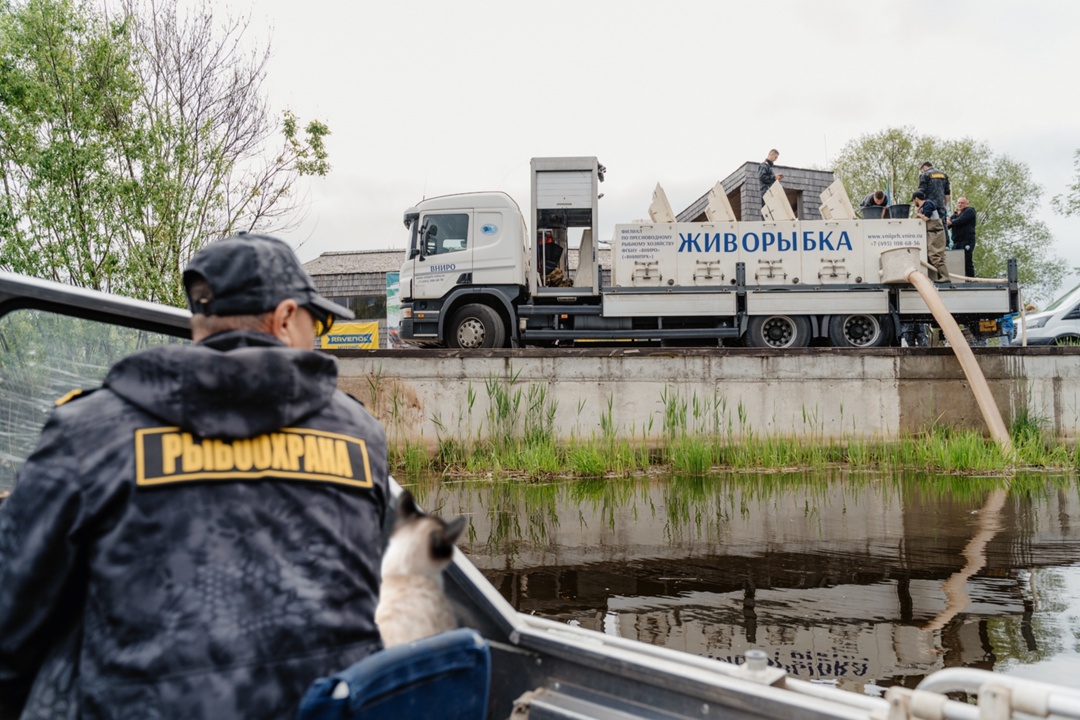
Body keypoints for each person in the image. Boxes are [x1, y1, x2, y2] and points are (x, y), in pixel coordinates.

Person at [0, 234, 390, 719]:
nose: (320, 337)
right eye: (321, 323)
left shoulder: (89, 431)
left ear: (199, 322)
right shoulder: (360, 435)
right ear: (286, 318)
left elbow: (12, 622)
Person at [912, 190, 950, 283]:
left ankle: (945, 276)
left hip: (935, 232)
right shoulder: (925, 206)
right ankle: (942, 276)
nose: (914, 203)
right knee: (938, 255)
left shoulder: (928, 204)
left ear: (916, 199)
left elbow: (926, 218)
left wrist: (919, 214)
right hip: (934, 232)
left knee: (934, 254)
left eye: (913, 201)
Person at [918, 161, 951, 240]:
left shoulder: (925, 175)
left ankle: (932, 243)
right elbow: (947, 193)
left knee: (930, 225)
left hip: (929, 205)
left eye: (922, 169)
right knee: (943, 223)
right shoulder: (944, 175)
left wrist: (919, 206)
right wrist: (945, 205)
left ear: (924, 167)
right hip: (941, 204)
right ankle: (945, 242)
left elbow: (921, 192)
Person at [948, 197, 977, 278]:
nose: (960, 204)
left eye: (962, 203)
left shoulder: (970, 211)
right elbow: (947, 225)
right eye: (959, 203)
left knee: (967, 260)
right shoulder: (954, 215)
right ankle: (958, 279)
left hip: (967, 240)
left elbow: (961, 220)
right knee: (956, 261)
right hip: (957, 241)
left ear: (967, 203)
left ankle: (971, 280)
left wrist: (951, 222)